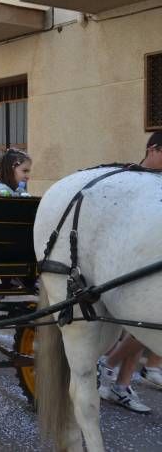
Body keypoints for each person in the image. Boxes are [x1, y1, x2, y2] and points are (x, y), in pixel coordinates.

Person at [98, 131, 162, 412]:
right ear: (153, 150)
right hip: (125, 263)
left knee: (140, 327)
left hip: (150, 261)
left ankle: (121, 385)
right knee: (144, 324)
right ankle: (109, 366)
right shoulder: (128, 177)